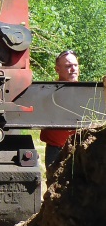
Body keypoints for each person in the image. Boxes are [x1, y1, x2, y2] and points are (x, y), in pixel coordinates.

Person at [39, 49, 80, 178]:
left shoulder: (88, 92)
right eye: (68, 66)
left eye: (75, 65)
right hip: (55, 149)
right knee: (54, 186)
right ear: (57, 69)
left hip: (81, 149)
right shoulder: (49, 92)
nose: (73, 69)